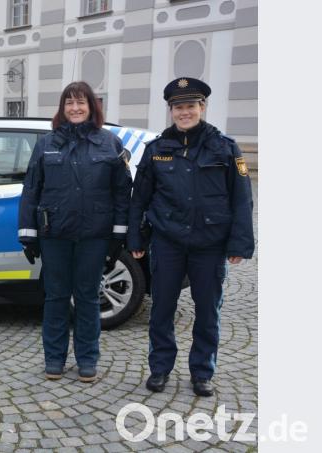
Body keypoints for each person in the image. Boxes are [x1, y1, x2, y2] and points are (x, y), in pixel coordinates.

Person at [127, 77, 254, 397]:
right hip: (168, 242)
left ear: (203, 107)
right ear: (171, 111)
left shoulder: (225, 147)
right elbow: (139, 198)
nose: (185, 112)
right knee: (161, 310)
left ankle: (202, 372)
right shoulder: (157, 150)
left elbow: (241, 199)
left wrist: (239, 243)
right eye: (178, 107)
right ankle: (160, 368)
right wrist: (135, 239)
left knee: (208, 310)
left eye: (191, 106)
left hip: (210, 244)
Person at [18, 81, 132, 383]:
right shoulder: (47, 144)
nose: (75, 108)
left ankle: (87, 360)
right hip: (54, 234)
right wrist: (28, 233)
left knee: (88, 298)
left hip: (94, 236)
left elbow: (122, 192)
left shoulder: (110, 143)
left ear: (92, 107)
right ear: (62, 108)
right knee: (56, 298)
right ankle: (54, 359)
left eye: (81, 102)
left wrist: (118, 237)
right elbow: (31, 189)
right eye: (69, 102)